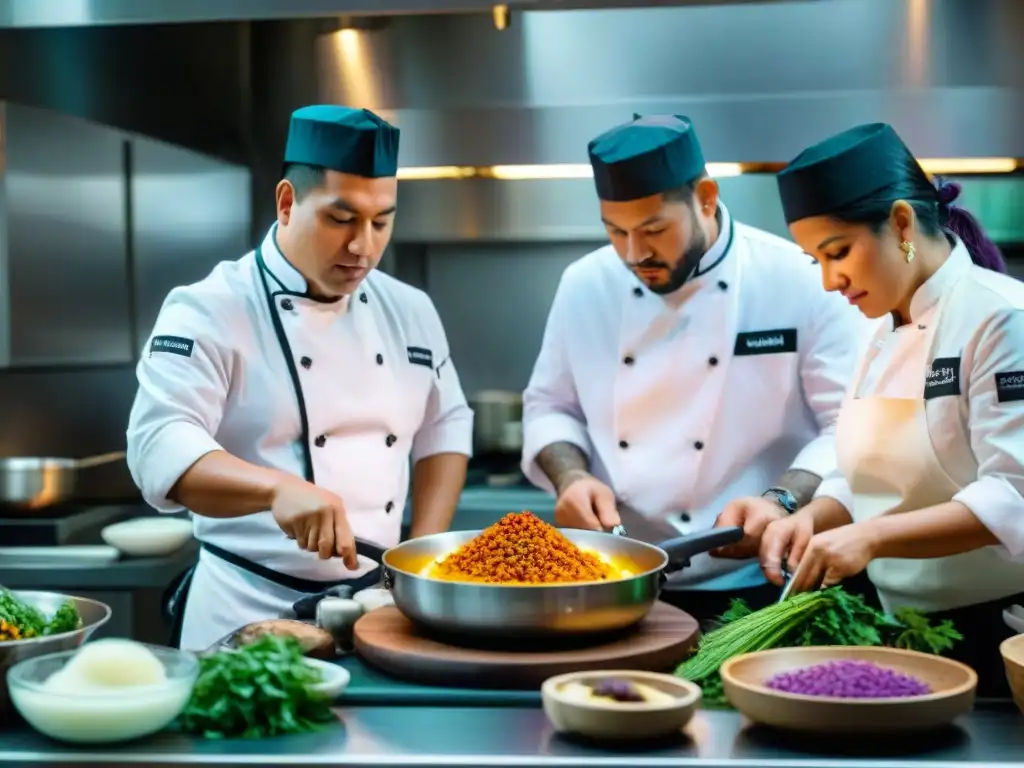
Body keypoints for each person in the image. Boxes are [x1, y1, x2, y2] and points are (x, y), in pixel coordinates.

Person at [126, 105, 474, 652]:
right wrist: (276, 489)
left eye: (381, 221)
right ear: (287, 203)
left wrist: (420, 557)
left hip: (377, 610)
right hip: (244, 612)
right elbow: (158, 446)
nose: (363, 246)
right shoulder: (210, 308)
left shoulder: (410, 309)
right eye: (341, 219)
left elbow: (447, 425)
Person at [520, 114, 876, 624]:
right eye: (615, 231)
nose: (633, 252)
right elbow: (549, 405)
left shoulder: (798, 279)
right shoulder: (584, 284)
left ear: (706, 198)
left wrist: (782, 499)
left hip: (756, 580)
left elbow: (851, 425)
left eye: (653, 229)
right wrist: (571, 478)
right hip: (614, 575)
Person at [755, 121, 1024, 697]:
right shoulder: (879, 332)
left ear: (901, 222)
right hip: (899, 627)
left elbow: (1014, 495)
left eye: (838, 252)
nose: (831, 282)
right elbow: (870, 476)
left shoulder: (1001, 318)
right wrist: (816, 517)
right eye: (815, 262)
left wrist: (871, 538)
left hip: (990, 634)